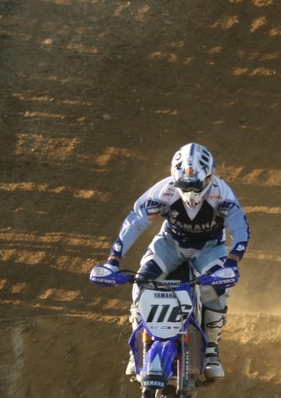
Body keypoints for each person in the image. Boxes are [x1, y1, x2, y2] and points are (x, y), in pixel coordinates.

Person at [95, 142, 250, 381]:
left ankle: (211, 349)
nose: (190, 191)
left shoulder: (222, 194)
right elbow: (135, 222)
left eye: (195, 185)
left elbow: (240, 228)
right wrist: (113, 260)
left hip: (209, 247)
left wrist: (231, 263)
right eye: (184, 185)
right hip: (170, 243)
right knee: (142, 280)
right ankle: (140, 345)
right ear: (174, 178)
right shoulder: (164, 191)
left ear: (209, 177)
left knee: (216, 287)